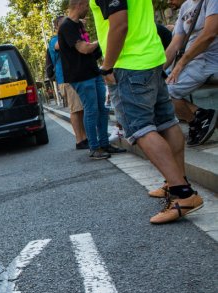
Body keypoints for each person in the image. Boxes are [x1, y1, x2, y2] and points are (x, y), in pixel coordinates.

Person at [90, 0, 204, 224]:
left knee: (140, 128)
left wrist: (107, 66)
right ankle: (175, 182)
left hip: (129, 63)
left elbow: (119, 24)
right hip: (151, 57)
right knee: (167, 123)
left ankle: (182, 194)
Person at [58, 0, 125, 159]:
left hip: (92, 71)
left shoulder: (78, 25)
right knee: (92, 109)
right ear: (79, 4)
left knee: (102, 109)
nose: (88, 9)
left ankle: (104, 144)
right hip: (80, 75)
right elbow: (83, 48)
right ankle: (94, 148)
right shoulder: (67, 26)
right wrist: (102, 41)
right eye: (87, 6)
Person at [164, 0, 217, 146]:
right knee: (158, 88)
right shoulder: (185, 7)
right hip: (192, 61)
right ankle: (200, 116)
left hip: (208, 59)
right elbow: (175, 44)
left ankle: (197, 120)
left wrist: (181, 63)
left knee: (165, 92)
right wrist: (156, 70)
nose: (168, 1)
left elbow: (209, 34)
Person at [48, 15, 88, 149]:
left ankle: (84, 137)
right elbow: (58, 45)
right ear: (58, 26)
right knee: (75, 109)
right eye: (65, 23)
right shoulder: (54, 40)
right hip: (66, 78)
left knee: (80, 108)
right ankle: (79, 140)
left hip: (74, 76)